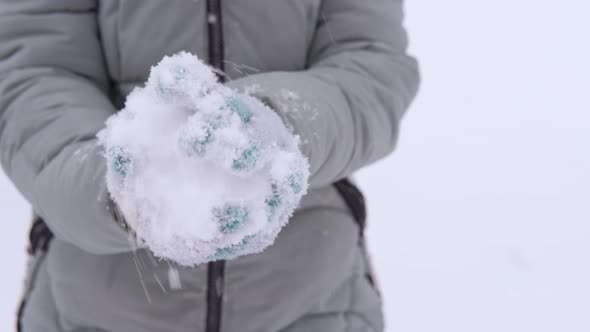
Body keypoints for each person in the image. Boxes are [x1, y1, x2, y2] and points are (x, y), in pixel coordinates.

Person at [0, 0, 419, 331]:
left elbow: (370, 64)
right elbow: (32, 71)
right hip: (92, 309)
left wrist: (287, 127)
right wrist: (110, 184)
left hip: (313, 304)